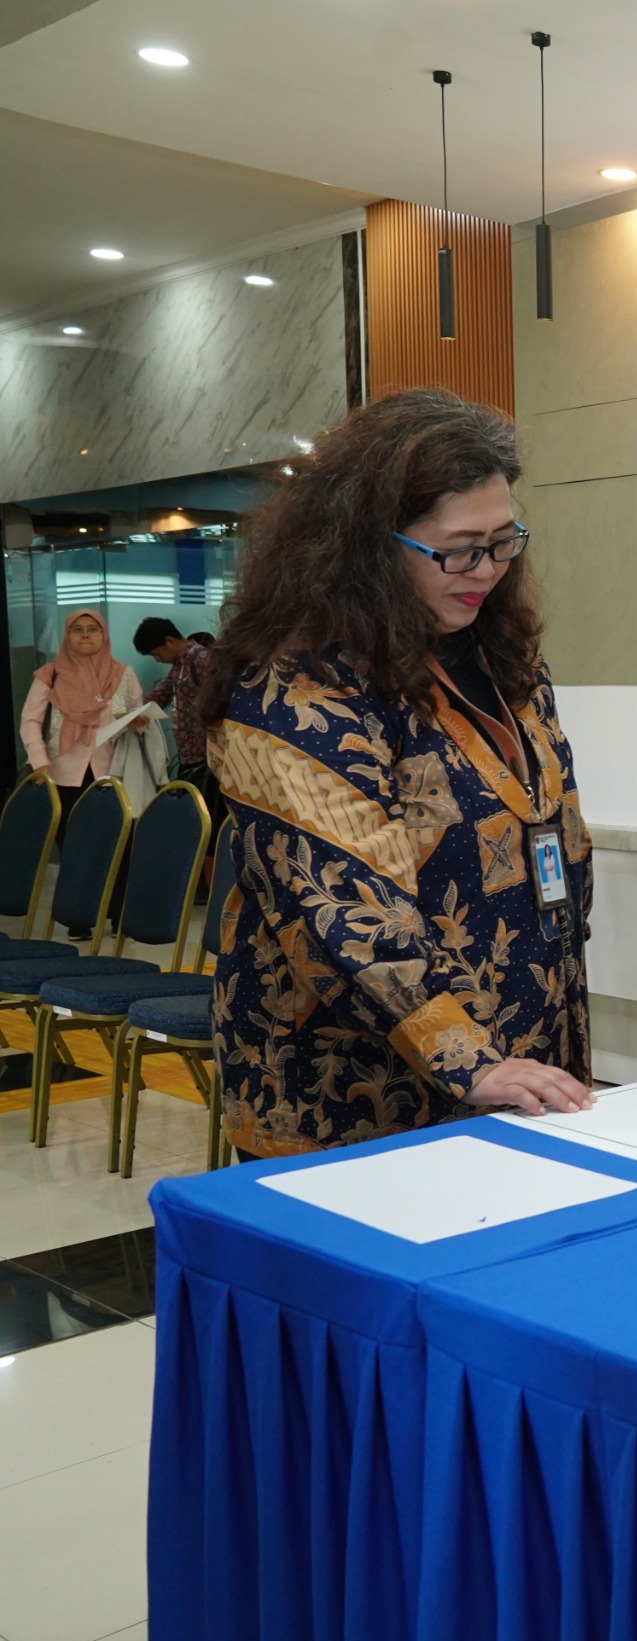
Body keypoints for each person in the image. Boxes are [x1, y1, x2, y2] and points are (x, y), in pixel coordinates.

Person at [202, 388, 596, 1155]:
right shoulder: (295, 690)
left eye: (503, 541)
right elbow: (345, 911)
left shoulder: (500, 653)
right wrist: (469, 1061)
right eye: (458, 548)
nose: (486, 569)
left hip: (523, 1064)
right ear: (368, 545)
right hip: (355, 1098)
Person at [22, 609, 160, 806]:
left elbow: (130, 715)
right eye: (77, 630)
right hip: (59, 775)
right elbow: (30, 722)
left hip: (112, 774)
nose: (85, 635)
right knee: (64, 824)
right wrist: (40, 762)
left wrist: (138, 723)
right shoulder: (51, 675)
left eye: (93, 629)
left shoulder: (124, 674)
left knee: (108, 825)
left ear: (103, 635)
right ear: (67, 635)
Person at [136, 616, 220, 812]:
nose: (158, 660)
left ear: (170, 641)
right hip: (189, 754)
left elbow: (222, 700)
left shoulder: (201, 659)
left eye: (157, 653)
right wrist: (134, 713)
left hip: (207, 756)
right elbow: (161, 694)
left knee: (205, 814)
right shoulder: (180, 666)